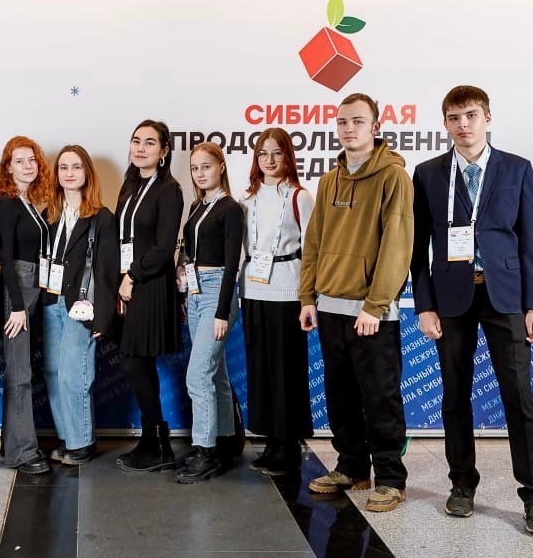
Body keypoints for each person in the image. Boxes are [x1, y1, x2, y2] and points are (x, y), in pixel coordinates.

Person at [411, 85, 533, 535]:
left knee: (519, 396)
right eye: (454, 117)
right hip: (451, 299)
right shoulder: (427, 174)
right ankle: (461, 483)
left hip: (506, 296)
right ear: (445, 123)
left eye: (471, 115)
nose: (463, 124)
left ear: (487, 117)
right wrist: (424, 305)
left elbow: (529, 242)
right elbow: (417, 249)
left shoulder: (517, 168)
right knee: (455, 395)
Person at [299, 92, 413, 512]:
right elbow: (314, 242)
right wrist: (307, 296)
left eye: (358, 121)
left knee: (380, 396)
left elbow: (397, 245)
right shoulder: (328, 180)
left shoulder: (393, 177)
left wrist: (375, 305)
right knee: (340, 394)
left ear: (375, 126)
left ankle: (391, 478)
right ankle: (351, 466)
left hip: (371, 312)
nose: (349, 128)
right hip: (329, 307)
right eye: (343, 121)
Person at [242, 129, 315, 477]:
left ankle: (289, 445)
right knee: (261, 370)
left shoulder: (301, 197)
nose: (269, 160)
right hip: (253, 291)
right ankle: (271, 440)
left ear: (288, 157)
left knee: (286, 371)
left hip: (287, 292)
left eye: (276, 153)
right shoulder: (248, 199)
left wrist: (308, 297)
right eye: (263, 153)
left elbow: (313, 251)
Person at [114, 120, 184, 473]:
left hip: (150, 285)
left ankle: (158, 443)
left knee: (134, 361)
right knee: (139, 364)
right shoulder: (130, 185)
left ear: (164, 151)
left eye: (150, 143)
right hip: (128, 284)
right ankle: (153, 442)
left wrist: (132, 276)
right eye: (136, 141)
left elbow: (163, 248)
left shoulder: (169, 190)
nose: (141, 148)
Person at [41, 145, 117, 465]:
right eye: (63, 167)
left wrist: (103, 317)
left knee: (74, 374)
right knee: (53, 373)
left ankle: (83, 442)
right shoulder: (48, 215)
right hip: (50, 301)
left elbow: (107, 271)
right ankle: (67, 437)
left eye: (76, 167)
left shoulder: (102, 217)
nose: (69, 173)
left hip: (81, 306)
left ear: (87, 172)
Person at [175, 142, 245, 484]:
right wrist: (184, 284)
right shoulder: (196, 206)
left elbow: (232, 264)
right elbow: (189, 252)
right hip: (196, 290)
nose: (200, 173)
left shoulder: (230, 208)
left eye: (206, 166)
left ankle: (204, 451)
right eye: (195, 168)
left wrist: (221, 311)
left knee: (198, 374)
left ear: (221, 167)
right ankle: (226, 440)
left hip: (219, 290)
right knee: (215, 373)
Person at [0, 136, 55, 475]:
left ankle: (13, 443)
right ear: (8, 167)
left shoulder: (29, 201)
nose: (28, 166)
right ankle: (22, 453)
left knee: (23, 370)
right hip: (17, 289)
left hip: (34, 285)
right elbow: (5, 256)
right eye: (20, 161)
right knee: (19, 373)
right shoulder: (7, 202)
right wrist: (16, 306)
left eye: (32, 160)